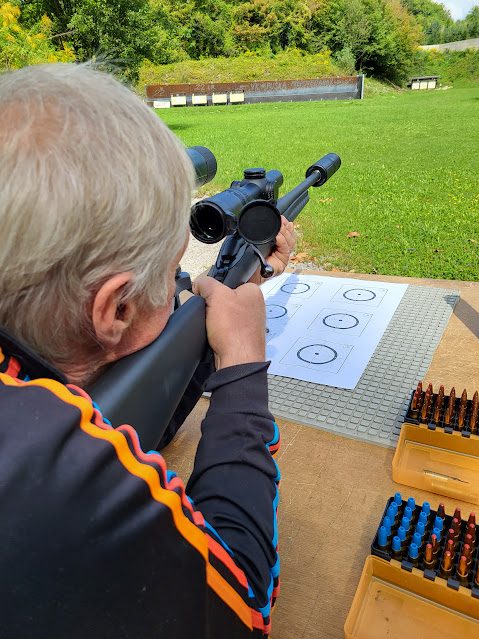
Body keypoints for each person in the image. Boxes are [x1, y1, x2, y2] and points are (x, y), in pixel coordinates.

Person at [0, 63, 296, 638]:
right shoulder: (54, 476)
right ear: (115, 310)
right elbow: (240, 597)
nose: (179, 287)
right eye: (173, 273)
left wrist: (236, 282)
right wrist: (241, 362)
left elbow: (139, 413)